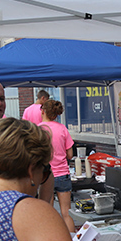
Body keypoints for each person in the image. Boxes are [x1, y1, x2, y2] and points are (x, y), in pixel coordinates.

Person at [39, 99, 76, 233]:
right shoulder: (62, 128)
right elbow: (70, 155)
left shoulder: (38, 130)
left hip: (45, 176)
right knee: (66, 213)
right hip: (63, 174)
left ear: (43, 111)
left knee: (47, 213)